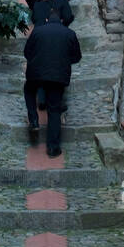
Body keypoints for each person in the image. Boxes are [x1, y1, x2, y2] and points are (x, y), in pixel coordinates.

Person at [24, 15, 82, 156]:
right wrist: (63, 60)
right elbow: (77, 57)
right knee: (54, 110)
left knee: (29, 90)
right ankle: (53, 148)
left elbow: (27, 52)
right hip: (58, 76)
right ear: (61, 20)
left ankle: (34, 119)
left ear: (47, 19)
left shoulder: (38, 31)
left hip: (37, 73)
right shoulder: (70, 34)